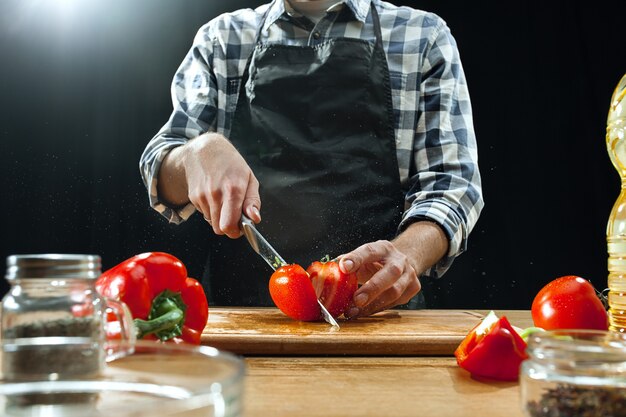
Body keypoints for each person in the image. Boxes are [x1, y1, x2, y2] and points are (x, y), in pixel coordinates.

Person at [140, 0, 483, 319]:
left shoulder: (421, 36)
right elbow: (161, 166)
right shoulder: (222, 38)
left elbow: (451, 186)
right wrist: (196, 153)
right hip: (244, 321)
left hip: (380, 317)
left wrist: (406, 255)